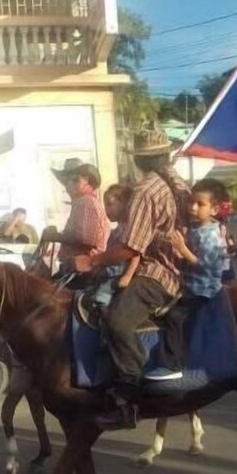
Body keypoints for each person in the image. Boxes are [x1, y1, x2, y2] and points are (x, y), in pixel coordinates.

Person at [74, 125, 184, 427]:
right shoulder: (174, 181)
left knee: (116, 320)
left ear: (139, 160)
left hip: (158, 273)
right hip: (170, 263)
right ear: (164, 155)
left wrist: (92, 260)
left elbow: (130, 247)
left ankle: (129, 393)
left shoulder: (146, 190)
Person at [144, 179, 225, 382]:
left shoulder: (211, 235)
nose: (193, 207)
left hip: (203, 289)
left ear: (214, 209)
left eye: (200, 204)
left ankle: (173, 365)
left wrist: (182, 249)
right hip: (190, 284)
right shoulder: (198, 229)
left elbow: (203, 263)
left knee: (175, 317)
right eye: (191, 202)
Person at [41, 160, 110, 275]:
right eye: (66, 182)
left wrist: (56, 237)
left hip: (83, 269)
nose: (68, 186)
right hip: (78, 266)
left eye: (75, 180)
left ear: (87, 180)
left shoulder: (86, 202)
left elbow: (86, 242)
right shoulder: (82, 203)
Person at [92, 184, 139, 308]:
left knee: (102, 295)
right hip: (110, 271)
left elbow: (135, 253)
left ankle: (102, 315)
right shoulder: (117, 229)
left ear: (124, 204)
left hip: (118, 274)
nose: (106, 209)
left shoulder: (130, 230)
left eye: (110, 204)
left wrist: (128, 275)